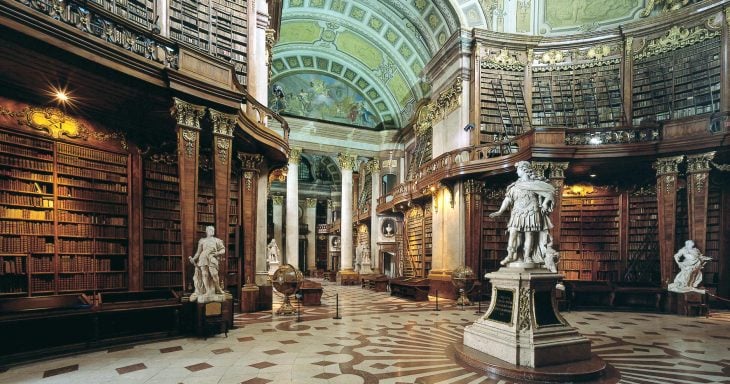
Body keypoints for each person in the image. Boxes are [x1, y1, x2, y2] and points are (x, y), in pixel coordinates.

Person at [489, 161, 556, 266]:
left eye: (518, 169)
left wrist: (544, 204)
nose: (516, 172)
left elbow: (550, 193)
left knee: (529, 234)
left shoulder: (535, 184)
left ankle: (527, 257)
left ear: (524, 169)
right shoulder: (515, 186)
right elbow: (508, 199)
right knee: (513, 232)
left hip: (532, 211)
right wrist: (500, 211)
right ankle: (510, 255)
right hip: (517, 212)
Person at [189, 225, 225, 299]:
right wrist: (194, 258)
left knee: (214, 274)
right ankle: (208, 291)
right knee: (204, 274)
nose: (212, 231)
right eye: (210, 230)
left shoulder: (217, 240)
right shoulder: (202, 240)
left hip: (212, 257)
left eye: (213, 230)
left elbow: (223, 250)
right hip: (203, 258)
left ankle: (218, 288)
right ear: (207, 231)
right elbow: (198, 252)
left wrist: (217, 253)